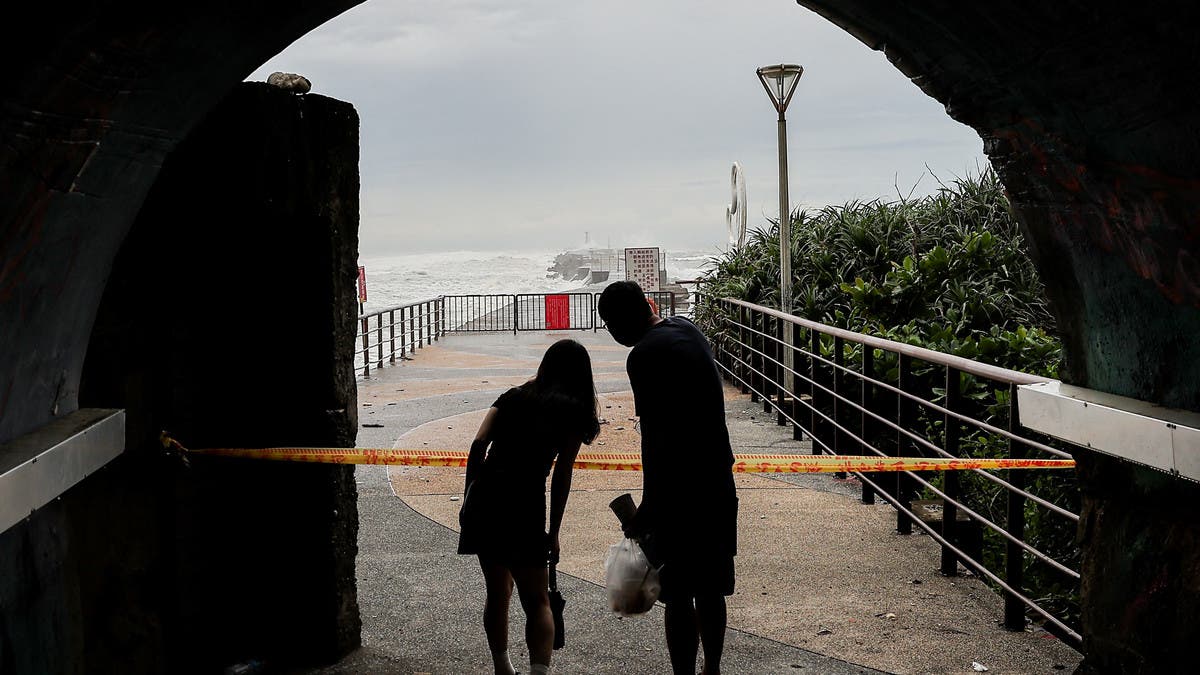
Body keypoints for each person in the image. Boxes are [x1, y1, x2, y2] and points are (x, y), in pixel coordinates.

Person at [597, 280, 738, 675]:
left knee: (677, 595)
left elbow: (658, 439)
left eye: (609, 323)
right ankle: (713, 669)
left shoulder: (643, 356)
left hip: (679, 492)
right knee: (710, 588)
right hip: (716, 480)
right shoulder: (687, 328)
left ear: (621, 321)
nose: (611, 331)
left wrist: (649, 506)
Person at [458, 338, 601, 675]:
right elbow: (561, 475)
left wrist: (468, 499)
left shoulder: (512, 397)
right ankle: (539, 671)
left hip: (486, 498)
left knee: (498, 591)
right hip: (524, 502)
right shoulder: (573, 411)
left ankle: (503, 668)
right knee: (537, 600)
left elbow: (478, 444)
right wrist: (554, 532)